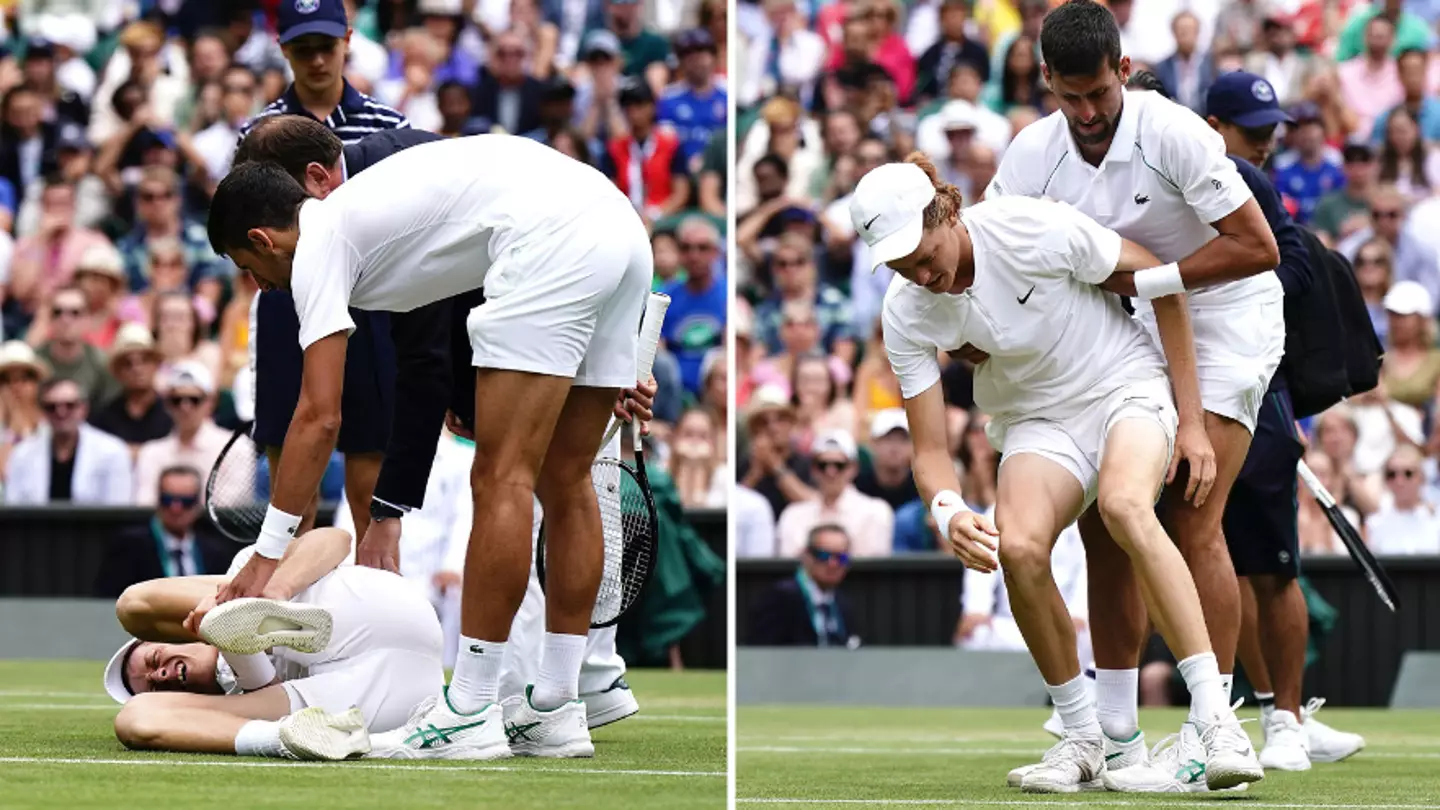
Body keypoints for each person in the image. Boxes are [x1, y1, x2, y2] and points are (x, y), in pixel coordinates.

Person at [205, 132, 652, 760]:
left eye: (250, 271)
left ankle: (467, 709)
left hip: (556, 239)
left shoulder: (319, 243)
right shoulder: (374, 215)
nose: (260, 287)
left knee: (501, 477)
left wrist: (268, 554)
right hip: (619, 225)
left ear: (262, 239)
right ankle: (554, 705)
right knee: (567, 476)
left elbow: (317, 417)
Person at [858, 155, 1261, 792]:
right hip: (1037, 420)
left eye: (922, 253)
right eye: (902, 265)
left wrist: (1190, 420)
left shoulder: (1029, 227)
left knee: (1125, 507)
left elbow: (1162, 280)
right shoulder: (907, 309)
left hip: (1123, 384)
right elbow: (930, 450)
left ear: (948, 213)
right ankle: (1082, 736)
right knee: (1016, 546)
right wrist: (949, 510)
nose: (920, 273)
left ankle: (1216, 720)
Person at [987, 0, 1283, 792]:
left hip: (1223, 320)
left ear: (1124, 71)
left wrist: (1153, 282)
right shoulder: (1028, 157)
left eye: (1100, 96)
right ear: (1044, 79)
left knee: (1189, 512)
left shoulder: (1176, 132)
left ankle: (1213, 733)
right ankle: (1113, 737)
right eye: (1068, 97)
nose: (1086, 114)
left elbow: (1258, 247)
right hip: (1123, 330)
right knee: (1102, 521)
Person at [1203, 70, 1366, 772]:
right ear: (1213, 128)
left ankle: (1288, 721)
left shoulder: (1258, 187)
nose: (1267, 142)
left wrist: (1236, 288)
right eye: (1253, 130)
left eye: (1272, 130)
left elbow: (1295, 257)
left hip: (1258, 394)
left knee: (1271, 567)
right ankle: (1252, 715)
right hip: (1188, 395)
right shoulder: (1190, 175)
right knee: (1221, 561)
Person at [240, 0, 411, 542]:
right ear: (284, 49)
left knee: (371, 494)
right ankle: (282, 623)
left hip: (371, 306)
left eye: (326, 46)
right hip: (287, 304)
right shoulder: (257, 131)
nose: (317, 61)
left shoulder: (391, 125)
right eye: (303, 49)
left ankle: (379, 619)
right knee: (293, 497)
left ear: (347, 40)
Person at [103, 528, 446, 760]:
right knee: (133, 720)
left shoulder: (240, 573)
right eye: (153, 686)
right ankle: (286, 737)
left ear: (175, 635)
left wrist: (270, 592)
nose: (159, 676)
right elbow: (144, 720)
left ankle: (267, 606)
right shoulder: (228, 707)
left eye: (153, 661)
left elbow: (335, 538)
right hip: (392, 700)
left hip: (372, 614)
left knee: (133, 606)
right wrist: (252, 677)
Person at [94, 465, 232, 597]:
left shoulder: (215, 552)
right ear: (158, 500)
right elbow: (109, 601)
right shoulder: (130, 546)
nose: (175, 509)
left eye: (186, 501)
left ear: (198, 504)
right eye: (168, 500)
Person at [4, 377, 132, 504]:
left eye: (70, 406)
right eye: (51, 407)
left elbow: (118, 509)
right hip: (37, 524)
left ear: (84, 408)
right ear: (43, 412)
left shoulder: (112, 451)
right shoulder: (23, 453)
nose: (61, 412)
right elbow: (14, 508)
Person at [776, 429, 894, 558]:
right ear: (813, 470)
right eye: (823, 465)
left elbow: (873, 567)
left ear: (853, 468)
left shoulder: (875, 511)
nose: (830, 472)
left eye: (839, 465)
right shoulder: (793, 515)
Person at [745, 524, 858, 647]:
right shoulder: (779, 598)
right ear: (806, 556)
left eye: (841, 558)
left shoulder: (842, 603)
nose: (832, 564)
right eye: (823, 556)